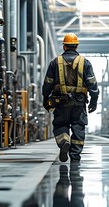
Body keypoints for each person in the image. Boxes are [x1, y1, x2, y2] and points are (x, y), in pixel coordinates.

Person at [42, 32, 99, 164]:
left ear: (64, 46)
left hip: (60, 103)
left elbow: (47, 84)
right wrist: (94, 102)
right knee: (78, 127)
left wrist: (46, 100)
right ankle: (75, 156)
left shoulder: (55, 62)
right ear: (76, 46)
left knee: (60, 124)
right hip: (79, 103)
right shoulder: (85, 63)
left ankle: (64, 142)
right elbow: (93, 84)